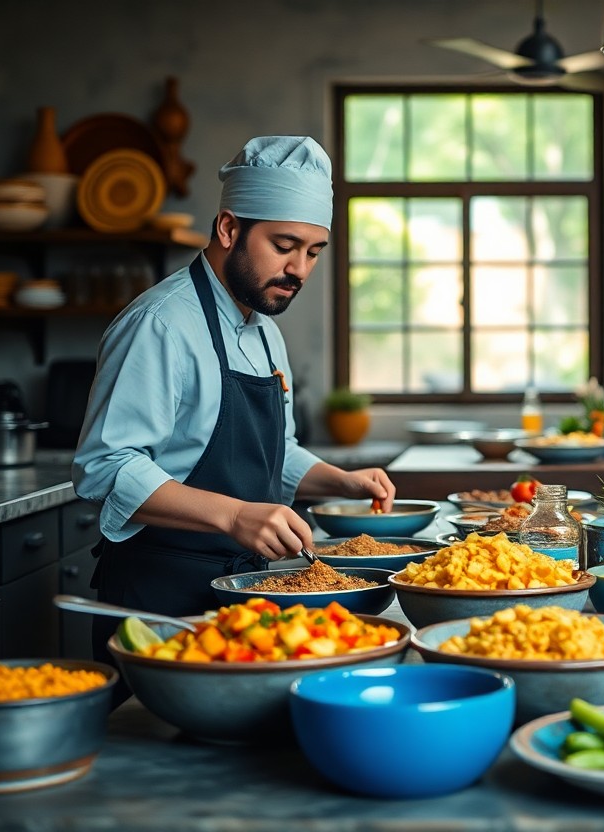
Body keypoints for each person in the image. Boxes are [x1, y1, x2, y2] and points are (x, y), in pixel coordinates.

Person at [73, 135, 394, 658]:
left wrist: (339, 481)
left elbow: (274, 452)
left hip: (245, 596)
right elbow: (105, 466)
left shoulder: (264, 328)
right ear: (228, 228)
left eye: (314, 252)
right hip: (161, 600)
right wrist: (233, 515)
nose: (300, 270)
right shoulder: (160, 323)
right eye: (284, 246)